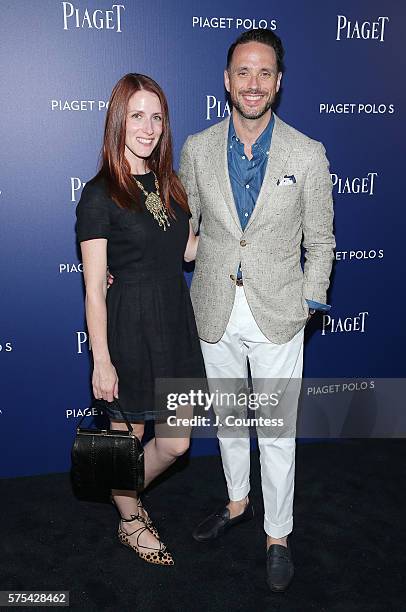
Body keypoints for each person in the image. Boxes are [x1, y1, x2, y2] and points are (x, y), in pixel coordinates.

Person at [179, 29, 335, 591]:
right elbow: (182, 225)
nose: (253, 83)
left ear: (278, 83)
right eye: (242, 72)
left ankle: (278, 534)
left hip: (277, 315)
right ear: (226, 80)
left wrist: (305, 306)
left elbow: (321, 242)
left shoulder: (307, 153)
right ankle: (237, 503)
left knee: (274, 431)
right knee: (228, 424)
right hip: (214, 309)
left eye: (264, 72)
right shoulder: (196, 148)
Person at [76, 73, 204, 566]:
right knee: (125, 443)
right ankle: (130, 517)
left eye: (156, 117)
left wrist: (236, 232)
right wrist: (101, 360)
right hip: (128, 326)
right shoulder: (99, 194)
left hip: (174, 321)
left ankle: (120, 490)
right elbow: (93, 289)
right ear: (118, 121)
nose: (148, 128)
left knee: (174, 442)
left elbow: (185, 250)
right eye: (137, 116)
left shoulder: (170, 183)